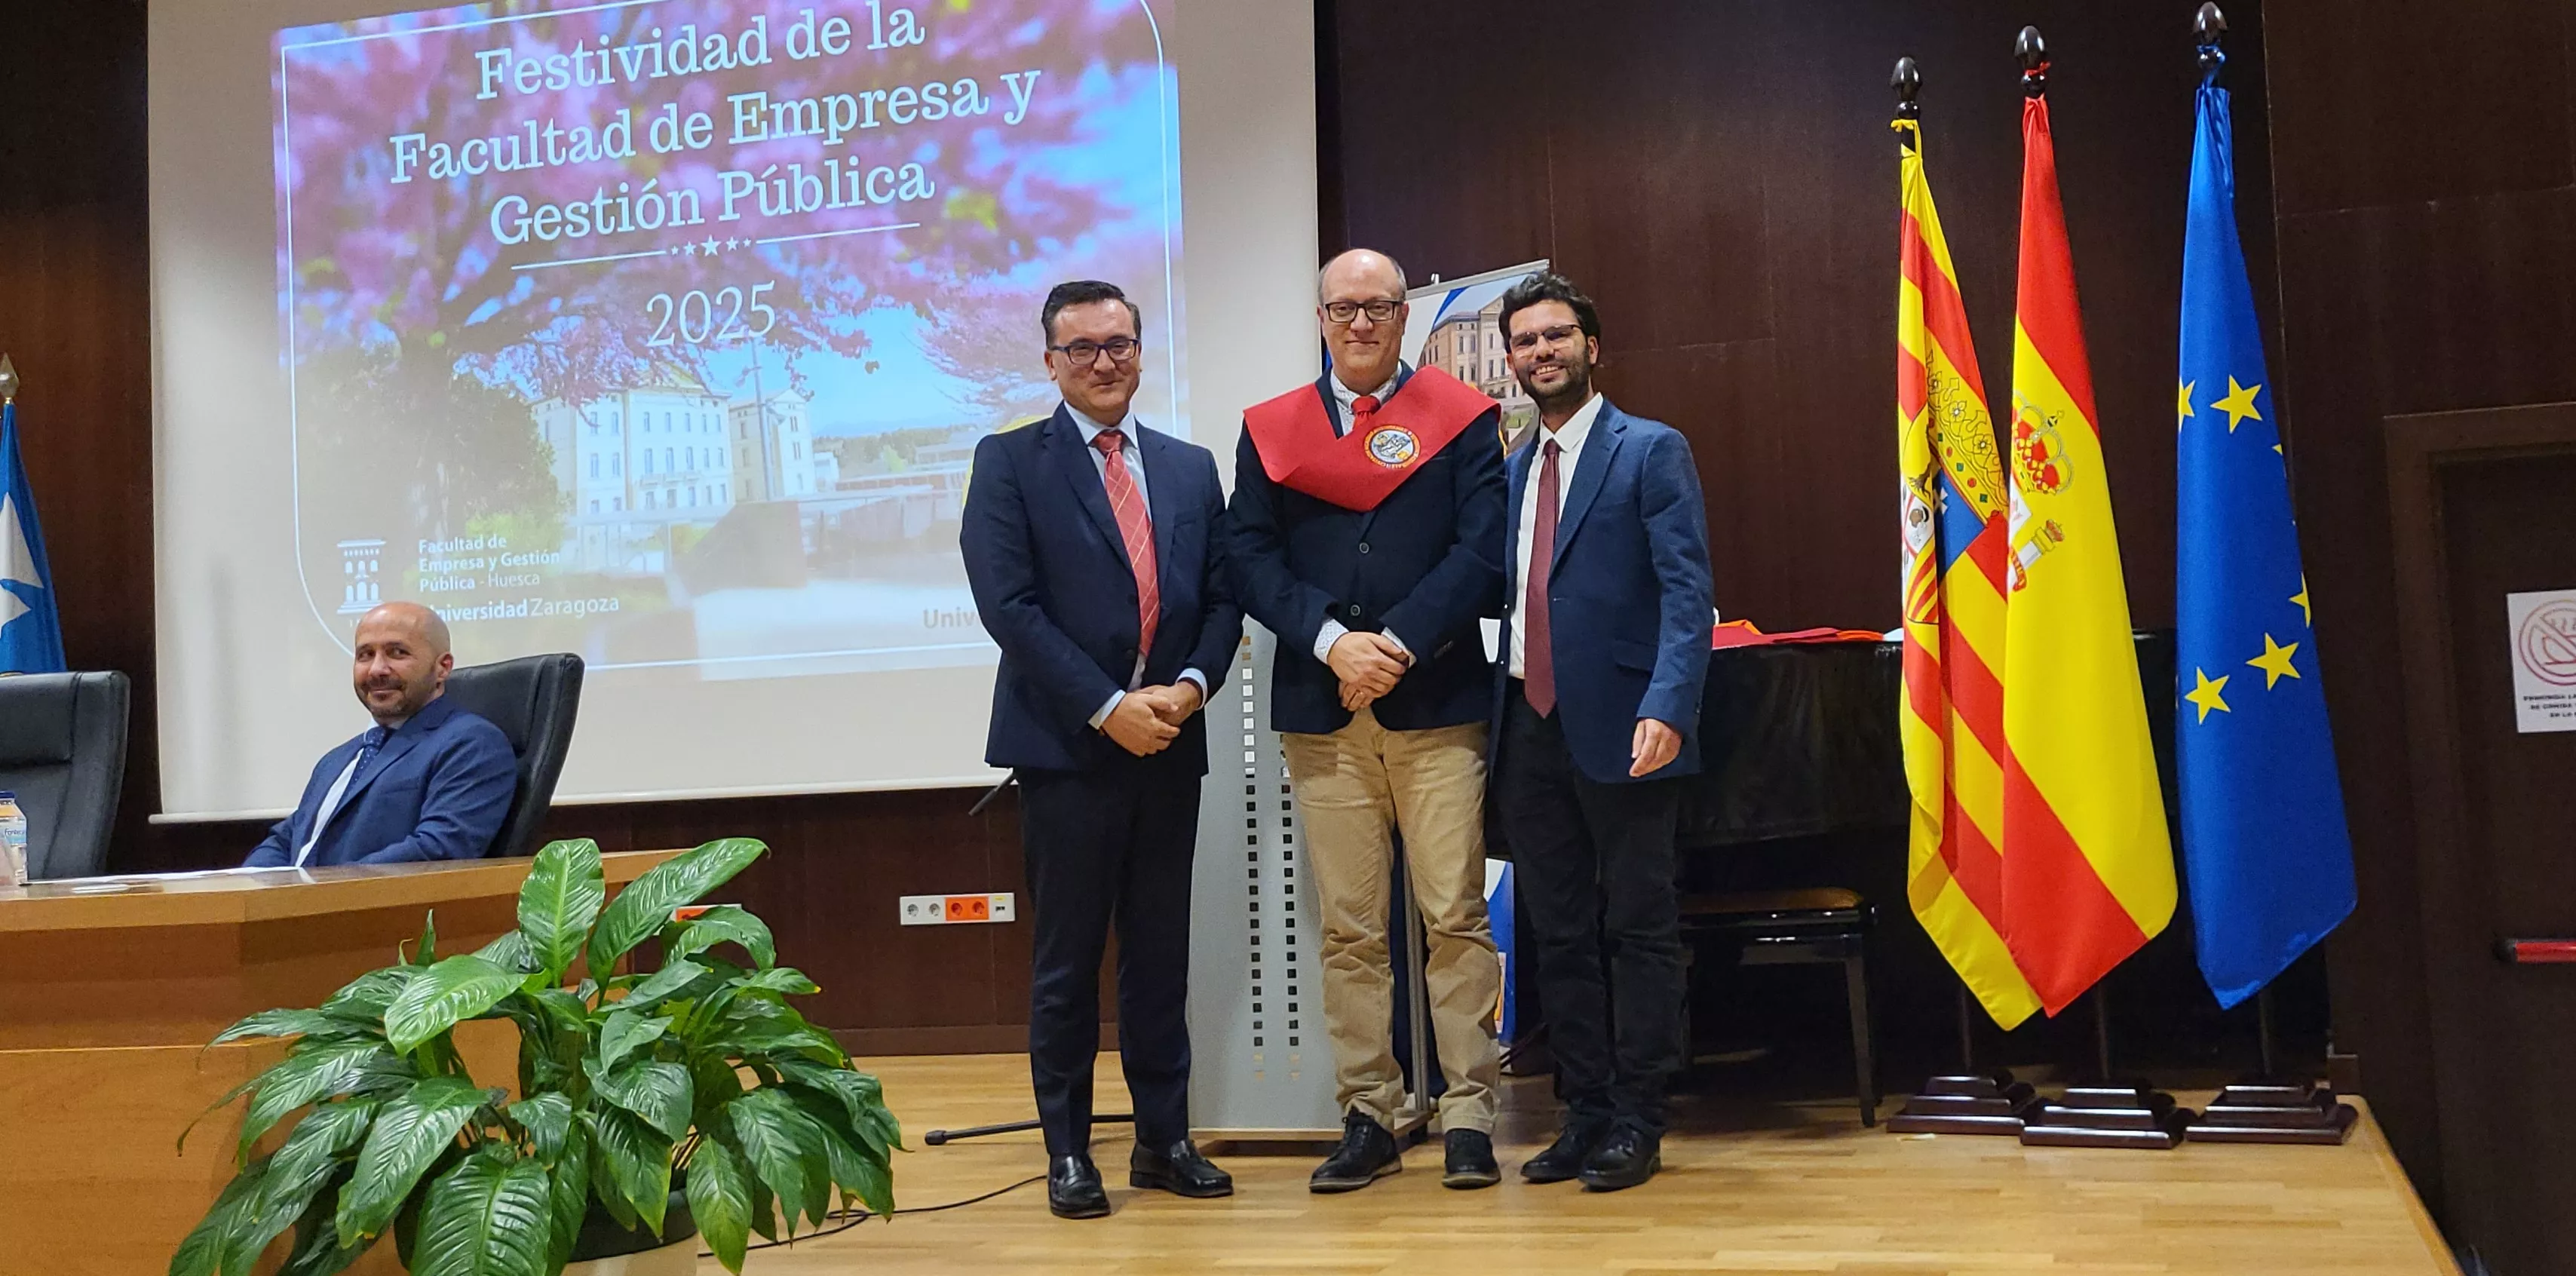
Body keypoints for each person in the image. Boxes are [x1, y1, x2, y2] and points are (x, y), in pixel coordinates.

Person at [1227, 248, 1510, 1192]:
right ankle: (1371, 1111)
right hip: (1320, 709)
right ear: (1319, 317)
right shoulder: (1271, 429)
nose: (1359, 323)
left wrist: (1394, 643)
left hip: (1434, 704)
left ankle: (1469, 1110)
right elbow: (1248, 557)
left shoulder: (1460, 421)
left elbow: (1482, 550)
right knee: (1350, 930)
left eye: (1378, 307)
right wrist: (1326, 643)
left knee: (1453, 915)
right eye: (1343, 308)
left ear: (1401, 318)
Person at [960, 279, 1243, 1220]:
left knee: (1160, 957)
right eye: (1081, 349)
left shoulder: (1190, 467)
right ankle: (1069, 1153)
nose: (1104, 362)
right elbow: (1010, 610)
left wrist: (1189, 688)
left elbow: (1219, 601)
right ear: (1050, 363)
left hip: (1170, 744)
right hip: (1066, 752)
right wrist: (1105, 705)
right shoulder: (1008, 463)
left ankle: (1164, 1141)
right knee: (1067, 962)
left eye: (1119, 343)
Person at [1489, 272, 1711, 1191]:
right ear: (1509, 361)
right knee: (1559, 932)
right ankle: (1581, 1112)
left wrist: (1666, 703)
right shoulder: (1511, 468)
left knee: (1637, 927)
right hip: (1526, 730)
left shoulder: (1650, 451)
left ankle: (1637, 1117)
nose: (1540, 351)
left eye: (1555, 336)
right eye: (1525, 341)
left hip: (1627, 726)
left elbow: (1686, 592)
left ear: (1592, 346)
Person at [244, 601, 516, 868]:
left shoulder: (472, 744)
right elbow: (285, 841)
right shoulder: (338, 760)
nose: (377, 670)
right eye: (365, 655)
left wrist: (317, 891)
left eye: (397, 653)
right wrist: (251, 887)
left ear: (442, 668)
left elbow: (437, 850)